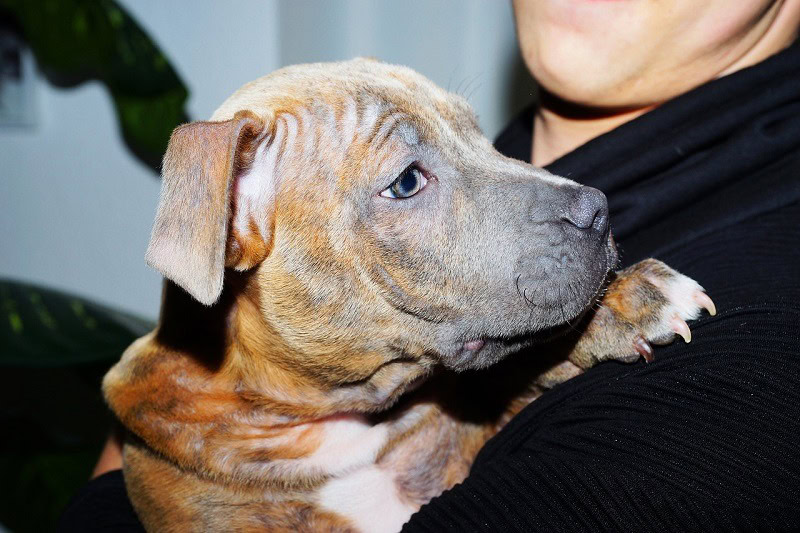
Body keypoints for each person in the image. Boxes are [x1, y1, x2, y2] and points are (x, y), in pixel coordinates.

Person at [60, 0, 800, 530]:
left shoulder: (759, 326)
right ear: (236, 217)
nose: (575, 203)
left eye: (469, 140)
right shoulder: (175, 416)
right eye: (408, 180)